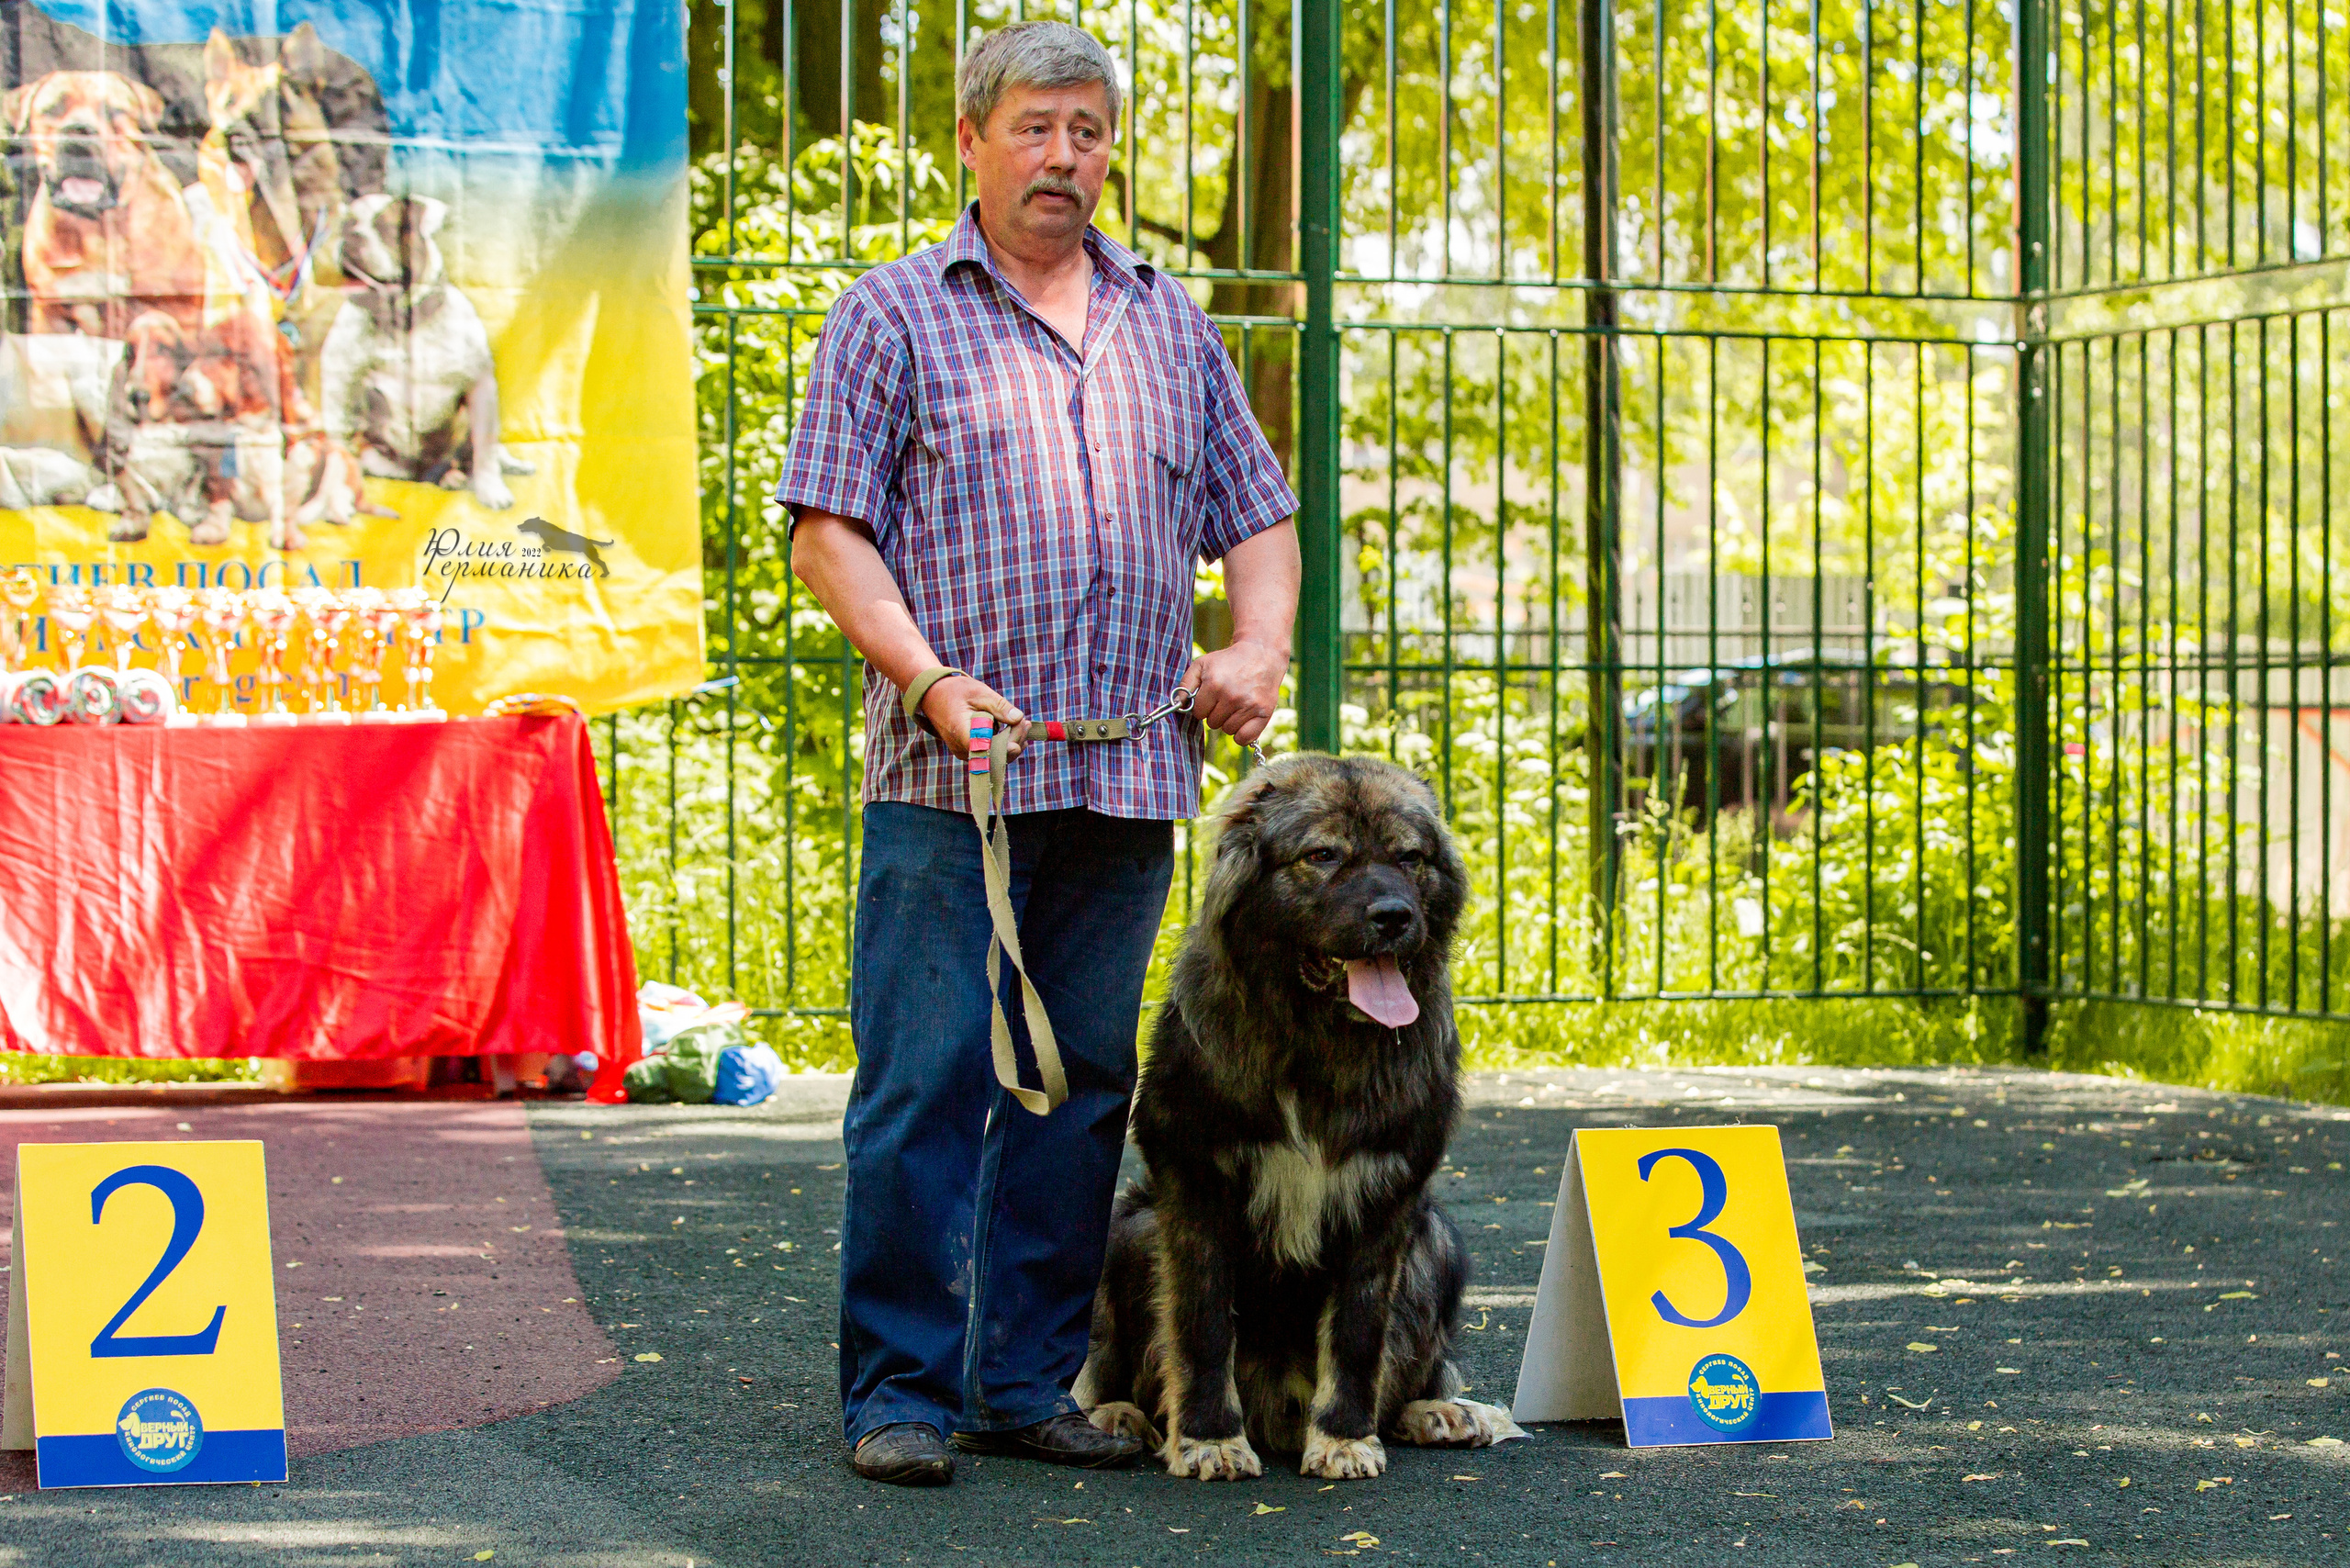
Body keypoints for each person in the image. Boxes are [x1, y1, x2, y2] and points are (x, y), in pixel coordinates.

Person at [776, 20, 1300, 1486]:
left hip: (1128, 777)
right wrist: (930, 676)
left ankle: (1020, 1381)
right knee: (926, 1082)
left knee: (1079, 1088)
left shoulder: (1167, 320)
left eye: (1086, 129)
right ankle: (896, 1391)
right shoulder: (891, 314)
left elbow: (1257, 516)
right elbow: (831, 533)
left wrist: (1254, 650)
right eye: (1033, 128)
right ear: (971, 140)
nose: (1062, 156)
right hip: (956, 784)